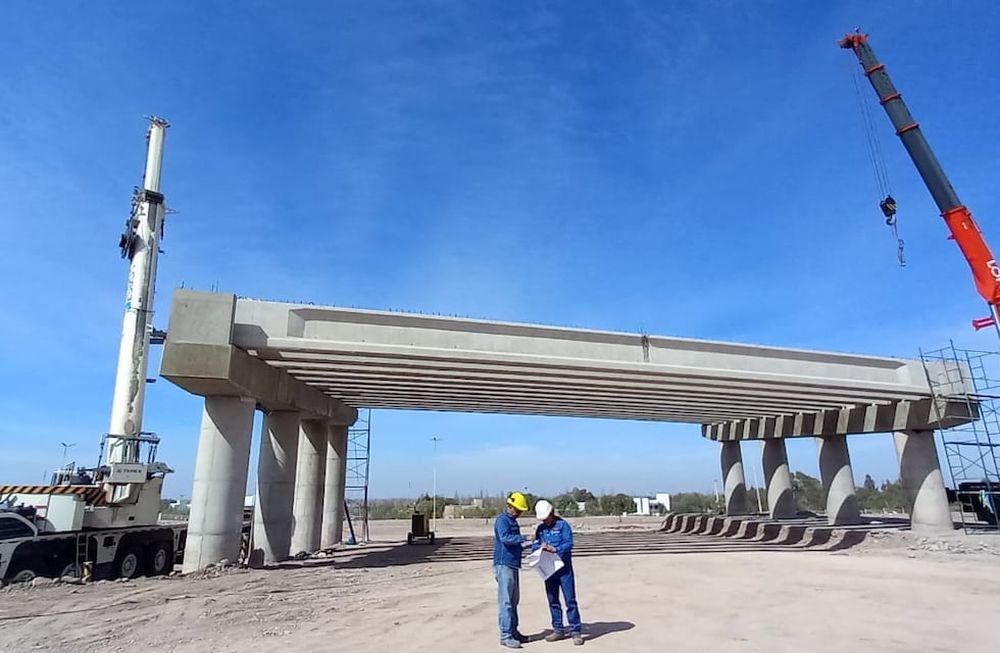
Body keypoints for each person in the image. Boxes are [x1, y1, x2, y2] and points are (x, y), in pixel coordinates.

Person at [532, 500, 583, 645]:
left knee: (570, 600)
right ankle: (558, 629)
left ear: (552, 513)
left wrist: (556, 549)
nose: (544, 521)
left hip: (564, 570)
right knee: (553, 600)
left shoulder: (563, 526)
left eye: (546, 518)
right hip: (549, 570)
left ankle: (575, 630)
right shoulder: (541, 529)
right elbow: (535, 544)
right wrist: (539, 547)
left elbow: (568, 543)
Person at [494, 491, 532, 649]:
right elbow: (505, 539)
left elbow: (514, 542)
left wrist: (529, 544)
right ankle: (505, 635)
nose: (520, 513)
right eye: (518, 510)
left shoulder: (513, 522)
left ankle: (513, 631)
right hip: (504, 564)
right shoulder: (502, 521)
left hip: (514, 564)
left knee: (514, 600)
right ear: (510, 506)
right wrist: (524, 539)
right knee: (506, 601)